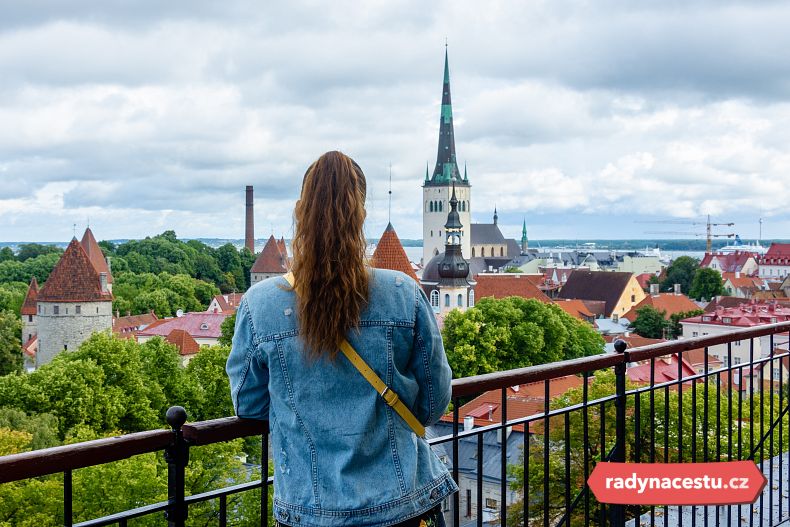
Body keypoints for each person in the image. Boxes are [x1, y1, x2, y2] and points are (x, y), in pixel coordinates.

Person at [226, 151, 458, 527]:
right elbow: (433, 402)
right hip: (401, 504)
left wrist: (309, 417)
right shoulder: (403, 294)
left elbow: (248, 404)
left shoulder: (261, 306)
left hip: (310, 509)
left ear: (301, 212)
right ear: (361, 213)